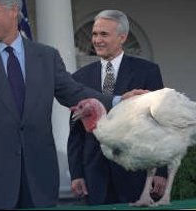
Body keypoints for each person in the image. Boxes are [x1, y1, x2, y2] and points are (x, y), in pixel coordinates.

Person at [0, 0, 113, 210]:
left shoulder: (46, 56)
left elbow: (73, 92)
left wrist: (119, 101)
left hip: (40, 179)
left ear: (14, 11)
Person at [67, 10, 167, 205]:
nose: (97, 40)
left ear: (122, 37)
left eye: (104, 34)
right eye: (95, 34)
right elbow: (76, 132)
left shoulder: (147, 71)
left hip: (136, 173)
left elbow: (159, 124)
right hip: (94, 174)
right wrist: (76, 174)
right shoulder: (80, 78)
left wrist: (160, 171)